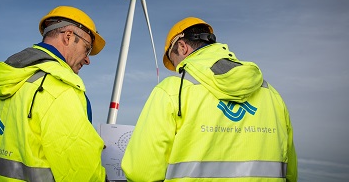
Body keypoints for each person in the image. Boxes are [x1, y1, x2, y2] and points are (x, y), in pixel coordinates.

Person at [121, 17, 297, 181]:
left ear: (182, 47)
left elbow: (141, 171)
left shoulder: (172, 90)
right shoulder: (271, 95)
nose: (177, 70)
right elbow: (290, 171)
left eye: (174, 62)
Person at [0, 6, 108, 181]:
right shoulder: (60, 88)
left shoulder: (1, 80)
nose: (88, 60)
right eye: (87, 48)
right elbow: (82, 172)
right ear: (68, 37)